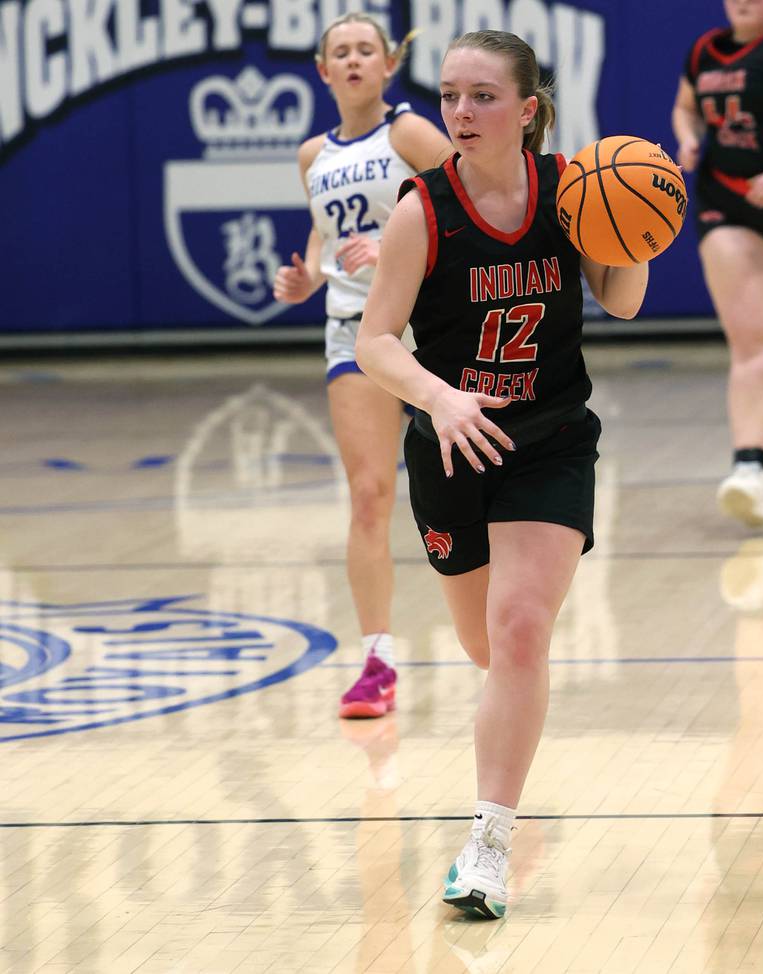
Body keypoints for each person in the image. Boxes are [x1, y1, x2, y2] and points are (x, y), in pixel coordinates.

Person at [356, 29, 650, 918]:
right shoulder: (423, 209)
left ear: (528, 110)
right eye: (449, 95)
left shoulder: (570, 193)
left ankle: (486, 842)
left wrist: (640, 218)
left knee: (520, 632)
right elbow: (374, 343)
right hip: (450, 446)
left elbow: (626, 299)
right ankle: (507, 765)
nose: (460, 112)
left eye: (482, 96)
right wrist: (440, 398)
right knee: (489, 649)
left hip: (551, 437)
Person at [273, 14, 452, 719]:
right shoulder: (311, 154)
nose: (352, 60)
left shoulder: (408, 134)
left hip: (432, 327)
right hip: (353, 331)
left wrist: (397, 249)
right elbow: (328, 234)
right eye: (339, 52)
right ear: (323, 70)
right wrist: (309, 277)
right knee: (371, 493)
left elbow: (464, 200)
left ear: (387, 65)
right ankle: (377, 658)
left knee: (469, 484)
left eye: (364, 50)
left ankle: (503, 628)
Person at [672, 0, 763, 527]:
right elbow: (685, 107)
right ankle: (749, 470)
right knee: (754, 345)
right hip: (731, 204)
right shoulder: (705, 50)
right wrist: (687, 138)